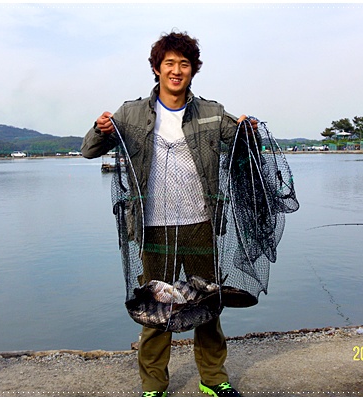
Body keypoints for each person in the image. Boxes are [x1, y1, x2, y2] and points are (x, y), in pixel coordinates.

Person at [82, 30, 257, 397]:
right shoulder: (130, 113)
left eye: (184, 64)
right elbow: (89, 150)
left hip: (200, 223)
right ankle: (153, 385)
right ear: (157, 69)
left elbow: (243, 144)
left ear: (193, 70)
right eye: (170, 63)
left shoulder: (211, 112)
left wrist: (248, 130)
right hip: (153, 228)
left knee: (208, 306)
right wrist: (99, 130)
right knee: (155, 310)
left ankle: (213, 379)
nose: (177, 71)